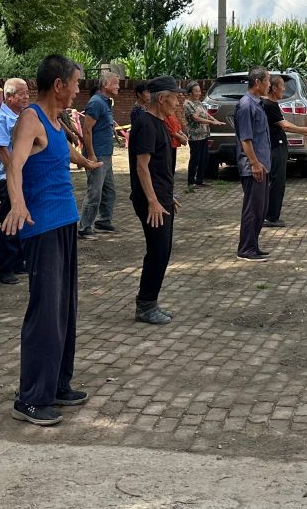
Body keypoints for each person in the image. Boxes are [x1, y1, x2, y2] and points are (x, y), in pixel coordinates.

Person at [3, 55, 101, 426]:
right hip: (41, 226)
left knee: (64, 309)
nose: (78, 88)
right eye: (75, 82)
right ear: (58, 84)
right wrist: (17, 203)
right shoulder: (31, 118)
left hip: (63, 223)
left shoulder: (56, 122)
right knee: (46, 312)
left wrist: (84, 161)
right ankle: (30, 399)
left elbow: (61, 153)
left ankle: (57, 384)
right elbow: (15, 163)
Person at [129, 76, 181, 324]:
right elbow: (142, 166)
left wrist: (168, 197)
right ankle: (145, 305)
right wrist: (152, 200)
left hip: (162, 199)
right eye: (174, 98)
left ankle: (150, 301)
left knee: (163, 250)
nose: (177, 103)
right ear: (162, 98)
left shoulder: (160, 123)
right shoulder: (146, 124)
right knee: (158, 251)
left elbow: (161, 167)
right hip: (151, 202)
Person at [261, 74, 307, 229]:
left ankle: (272, 215)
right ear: (274, 88)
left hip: (279, 145)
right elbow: (286, 126)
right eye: (282, 86)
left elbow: (286, 124)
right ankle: (270, 216)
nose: (284, 89)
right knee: (276, 182)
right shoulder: (268, 105)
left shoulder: (273, 104)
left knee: (278, 182)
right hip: (275, 147)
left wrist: (304, 132)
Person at [0, 77, 30, 284]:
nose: (26, 97)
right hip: (8, 178)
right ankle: (2, 269)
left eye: (27, 93)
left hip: (21, 176)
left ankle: (17, 262)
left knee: (21, 221)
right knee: (9, 221)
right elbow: (4, 154)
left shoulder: (22, 117)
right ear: (9, 97)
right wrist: (15, 180)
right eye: (21, 94)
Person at [234, 66, 271, 261]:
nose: (269, 85)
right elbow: (246, 140)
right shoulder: (246, 105)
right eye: (267, 81)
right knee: (252, 208)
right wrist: (255, 163)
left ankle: (253, 245)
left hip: (262, 165)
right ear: (257, 82)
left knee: (260, 208)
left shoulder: (258, 104)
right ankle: (246, 248)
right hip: (253, 167)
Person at [78, 73, 120, 239]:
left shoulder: (105, 102)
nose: (118, 86)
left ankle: (104, 221)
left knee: (109, 191)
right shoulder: (96, 103)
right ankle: (85, 227)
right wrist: (91, 155)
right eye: (115, 83)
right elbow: (86, 130)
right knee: (94, 191)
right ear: (106, 85)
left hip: (106, 153)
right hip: (97, 154)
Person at [182, 82, 223, 191]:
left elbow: (206, 114)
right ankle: (191, 181)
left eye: (199, 91)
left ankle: (199, 180)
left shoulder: (199, 103)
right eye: (196, 91)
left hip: (204, 134)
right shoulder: (187, 104)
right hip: (195, 136)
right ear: (190, 92)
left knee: (204, 158)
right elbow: (196, 118)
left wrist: (215, 120)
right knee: (195, 159)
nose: (198, 93)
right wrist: (211, 122)